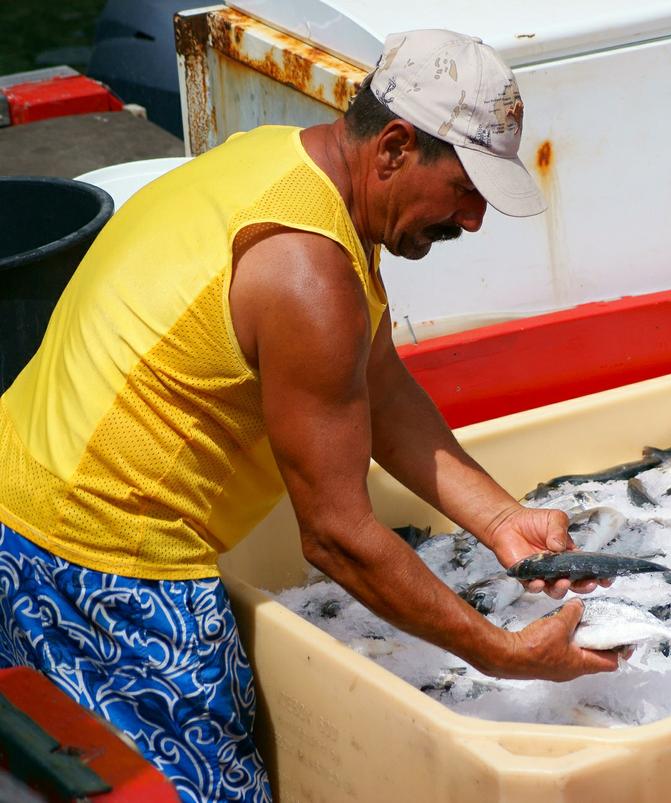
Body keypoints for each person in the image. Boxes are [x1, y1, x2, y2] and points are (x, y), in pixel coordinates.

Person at [0, 29, 619, 803]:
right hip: (101, 564)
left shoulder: (286, 164)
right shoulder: (308, 272)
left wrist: (500, 519)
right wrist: (501, 653)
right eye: (464, 189)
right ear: (394, 147)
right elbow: (335, 535)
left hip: (20, 495)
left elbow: (377, 382)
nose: (472, 221)